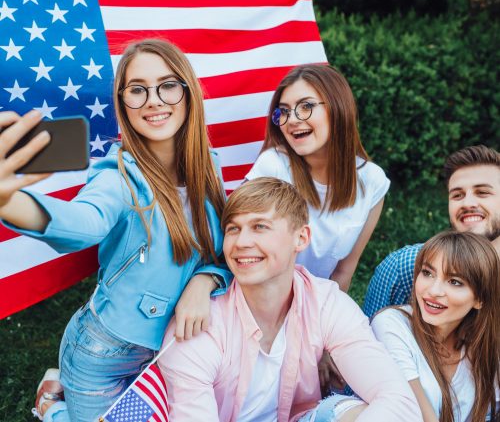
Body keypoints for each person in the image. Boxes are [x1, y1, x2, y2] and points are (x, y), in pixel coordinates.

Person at [0, 39, 231, 422]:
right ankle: (52, 407)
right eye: (137, 90)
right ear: (123, 104)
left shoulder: (210, 167)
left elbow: (222, 251)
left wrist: (205, 280)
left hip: (174, 350)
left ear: (188, 92)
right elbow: (84, 223)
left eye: (167, 85)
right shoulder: (120, 176)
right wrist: (8, 202)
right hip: (103, 355)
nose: (154, 100)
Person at [158, 177, 422, 422]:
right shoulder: (200, 323)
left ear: (301, 238)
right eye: (233, 229)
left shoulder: (325, 302)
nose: (242, 242)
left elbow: (398, 400)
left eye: (260, 226)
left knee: (351, 412)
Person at [245, 64, 390, 293]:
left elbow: (343, 273)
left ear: (337, 107)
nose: (291, 120)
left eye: (306, 106)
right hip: (264, 298)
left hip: (321, 304)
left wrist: (321, 321)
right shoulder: (273, 167)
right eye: (283, 111)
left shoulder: (372, 181)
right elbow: (242, 252)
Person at [371, 231, 500, 422]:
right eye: (427, 273)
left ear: (480, 299)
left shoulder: (486, 352)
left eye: (454, 282)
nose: (433, 291)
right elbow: (419, 414)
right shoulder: (392, 324)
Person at [363, 145, 500, 318]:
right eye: (457, 195)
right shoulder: (405, 267)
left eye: (482, 192)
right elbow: (365, 338)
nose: (467, 203)